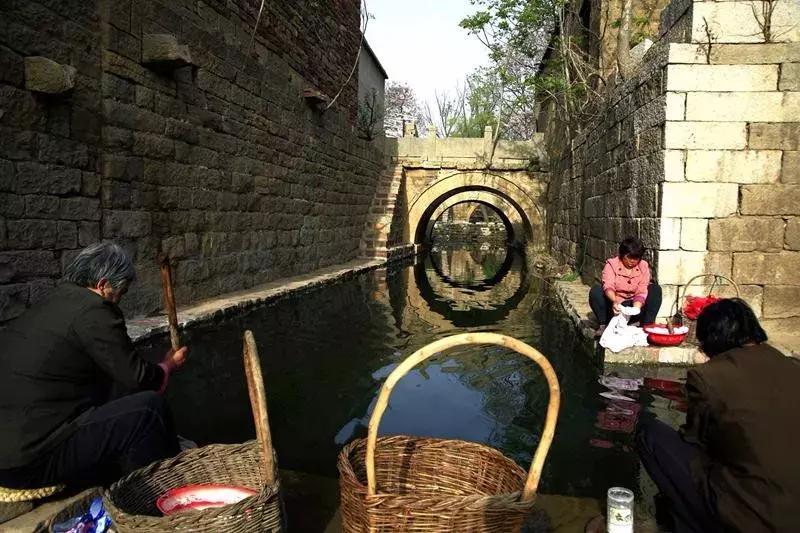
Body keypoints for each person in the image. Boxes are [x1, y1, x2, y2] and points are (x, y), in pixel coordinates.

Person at [0, 242, 188, 489]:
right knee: (150, 410)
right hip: (29, 460)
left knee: (116, 394)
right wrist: (167, 365)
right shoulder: (94, 310)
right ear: (103, 285)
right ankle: (163, 493)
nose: (119, 300)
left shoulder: (55, 300)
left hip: (13, 448)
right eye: (120, 292)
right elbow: (138, 378)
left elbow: (119, 369)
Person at [636, 299, 800, 533]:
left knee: (649, 432)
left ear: (709, 339)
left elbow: (695, 439)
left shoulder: (709, 376)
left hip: (750, 518)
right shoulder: (792, 366)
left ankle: (686, 523)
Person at [588, 236, 662, 335]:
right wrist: (615, 301)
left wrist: (636, 308)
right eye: (629, 257)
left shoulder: (643, 266)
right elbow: (608, 286)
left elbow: (642, 289)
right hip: (616, 307)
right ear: (622, 255)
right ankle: (604, 324)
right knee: (596, 291)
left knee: (655, 289)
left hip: (634, 305)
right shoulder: (611, 265)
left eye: (636, 258)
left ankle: (646, 326)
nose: (633, 261)